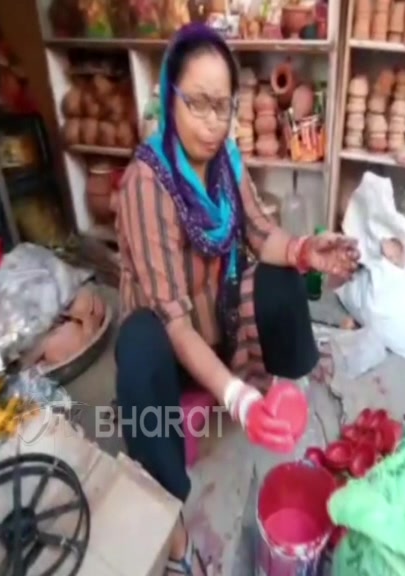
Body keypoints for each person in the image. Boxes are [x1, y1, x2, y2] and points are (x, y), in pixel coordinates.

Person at [114, 24, 359, 576]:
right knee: (140, 343)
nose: (211, 121)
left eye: (221, 106)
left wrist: (303, 250)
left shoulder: (225, 159)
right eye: (197, 104)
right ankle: (173, 526)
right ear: (168, 97)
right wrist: (239, 400)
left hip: (220, 325)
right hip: (172, 346)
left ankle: (289, 394)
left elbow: (256, 231)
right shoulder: (146, 184)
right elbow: (175, 322)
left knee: (280, 274)